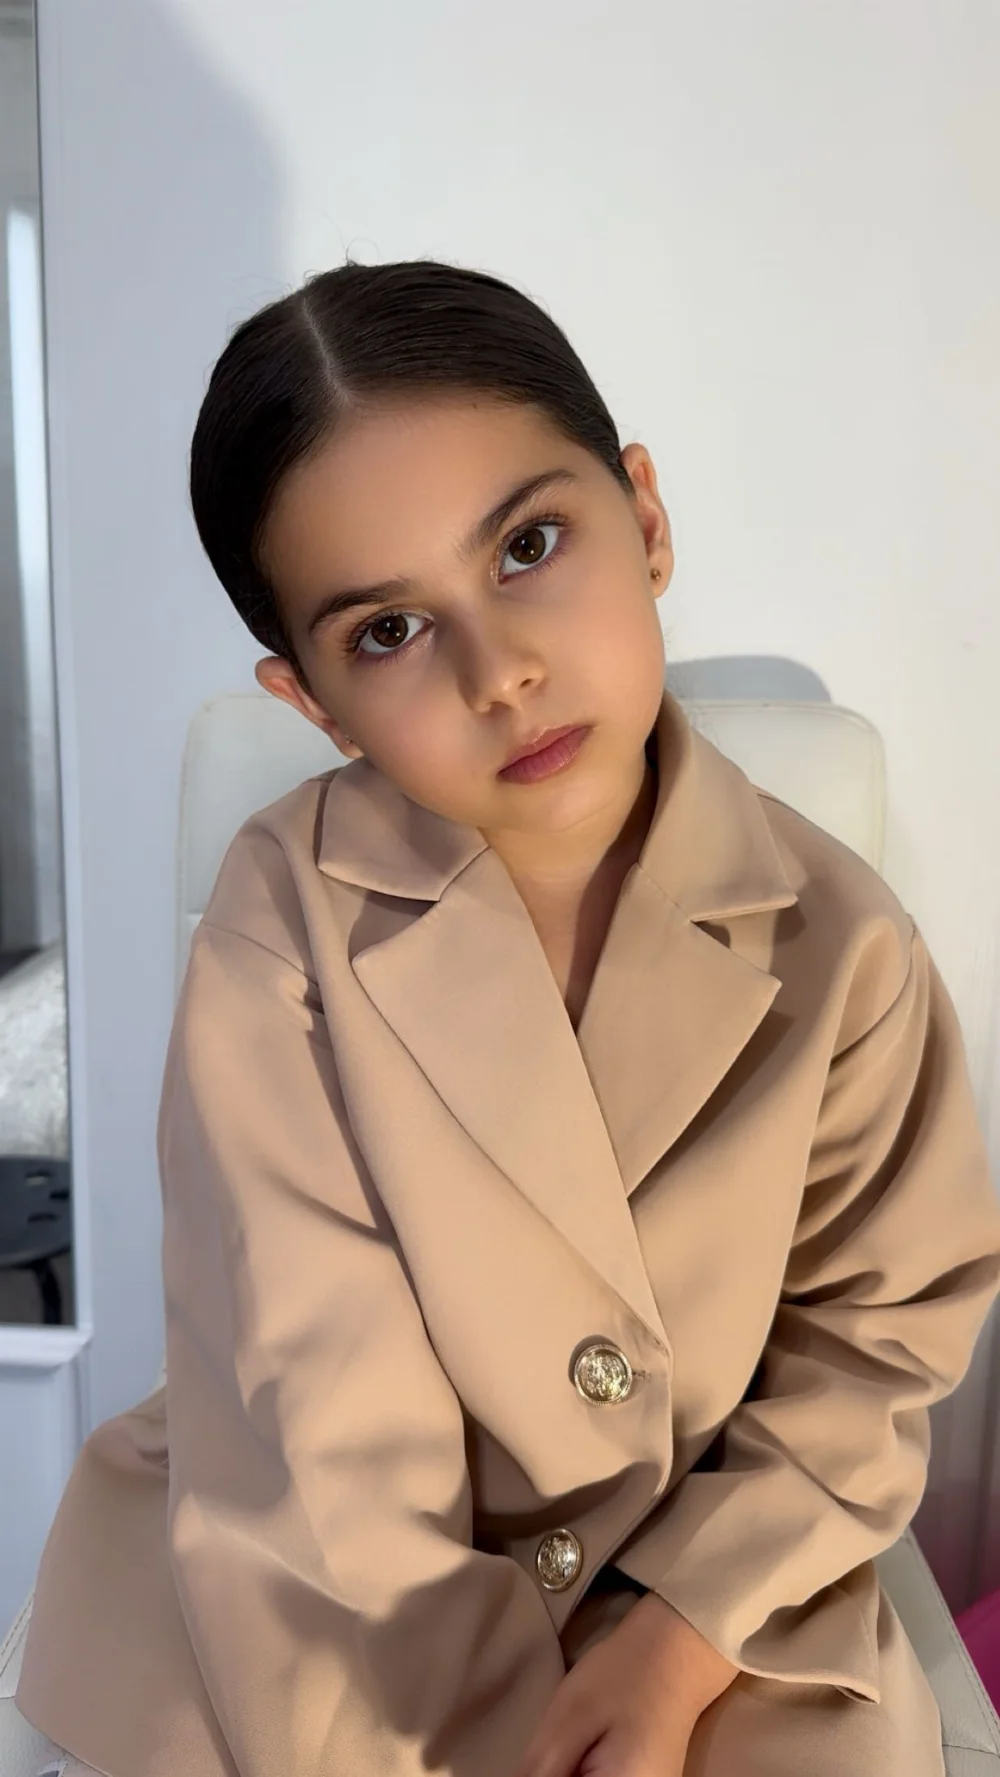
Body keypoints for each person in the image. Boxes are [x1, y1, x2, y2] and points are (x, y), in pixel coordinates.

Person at [16, 258, 1000, 1777]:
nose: (503, 673)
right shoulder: (281, 923)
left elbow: (872, 1347)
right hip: (328, 1580)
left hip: (710, 1584)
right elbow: (321, 1422)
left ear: (646, 518)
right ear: (313, 703)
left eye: (529, 546)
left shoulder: (847, 945)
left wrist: (682, 1632)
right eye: (388, 633)